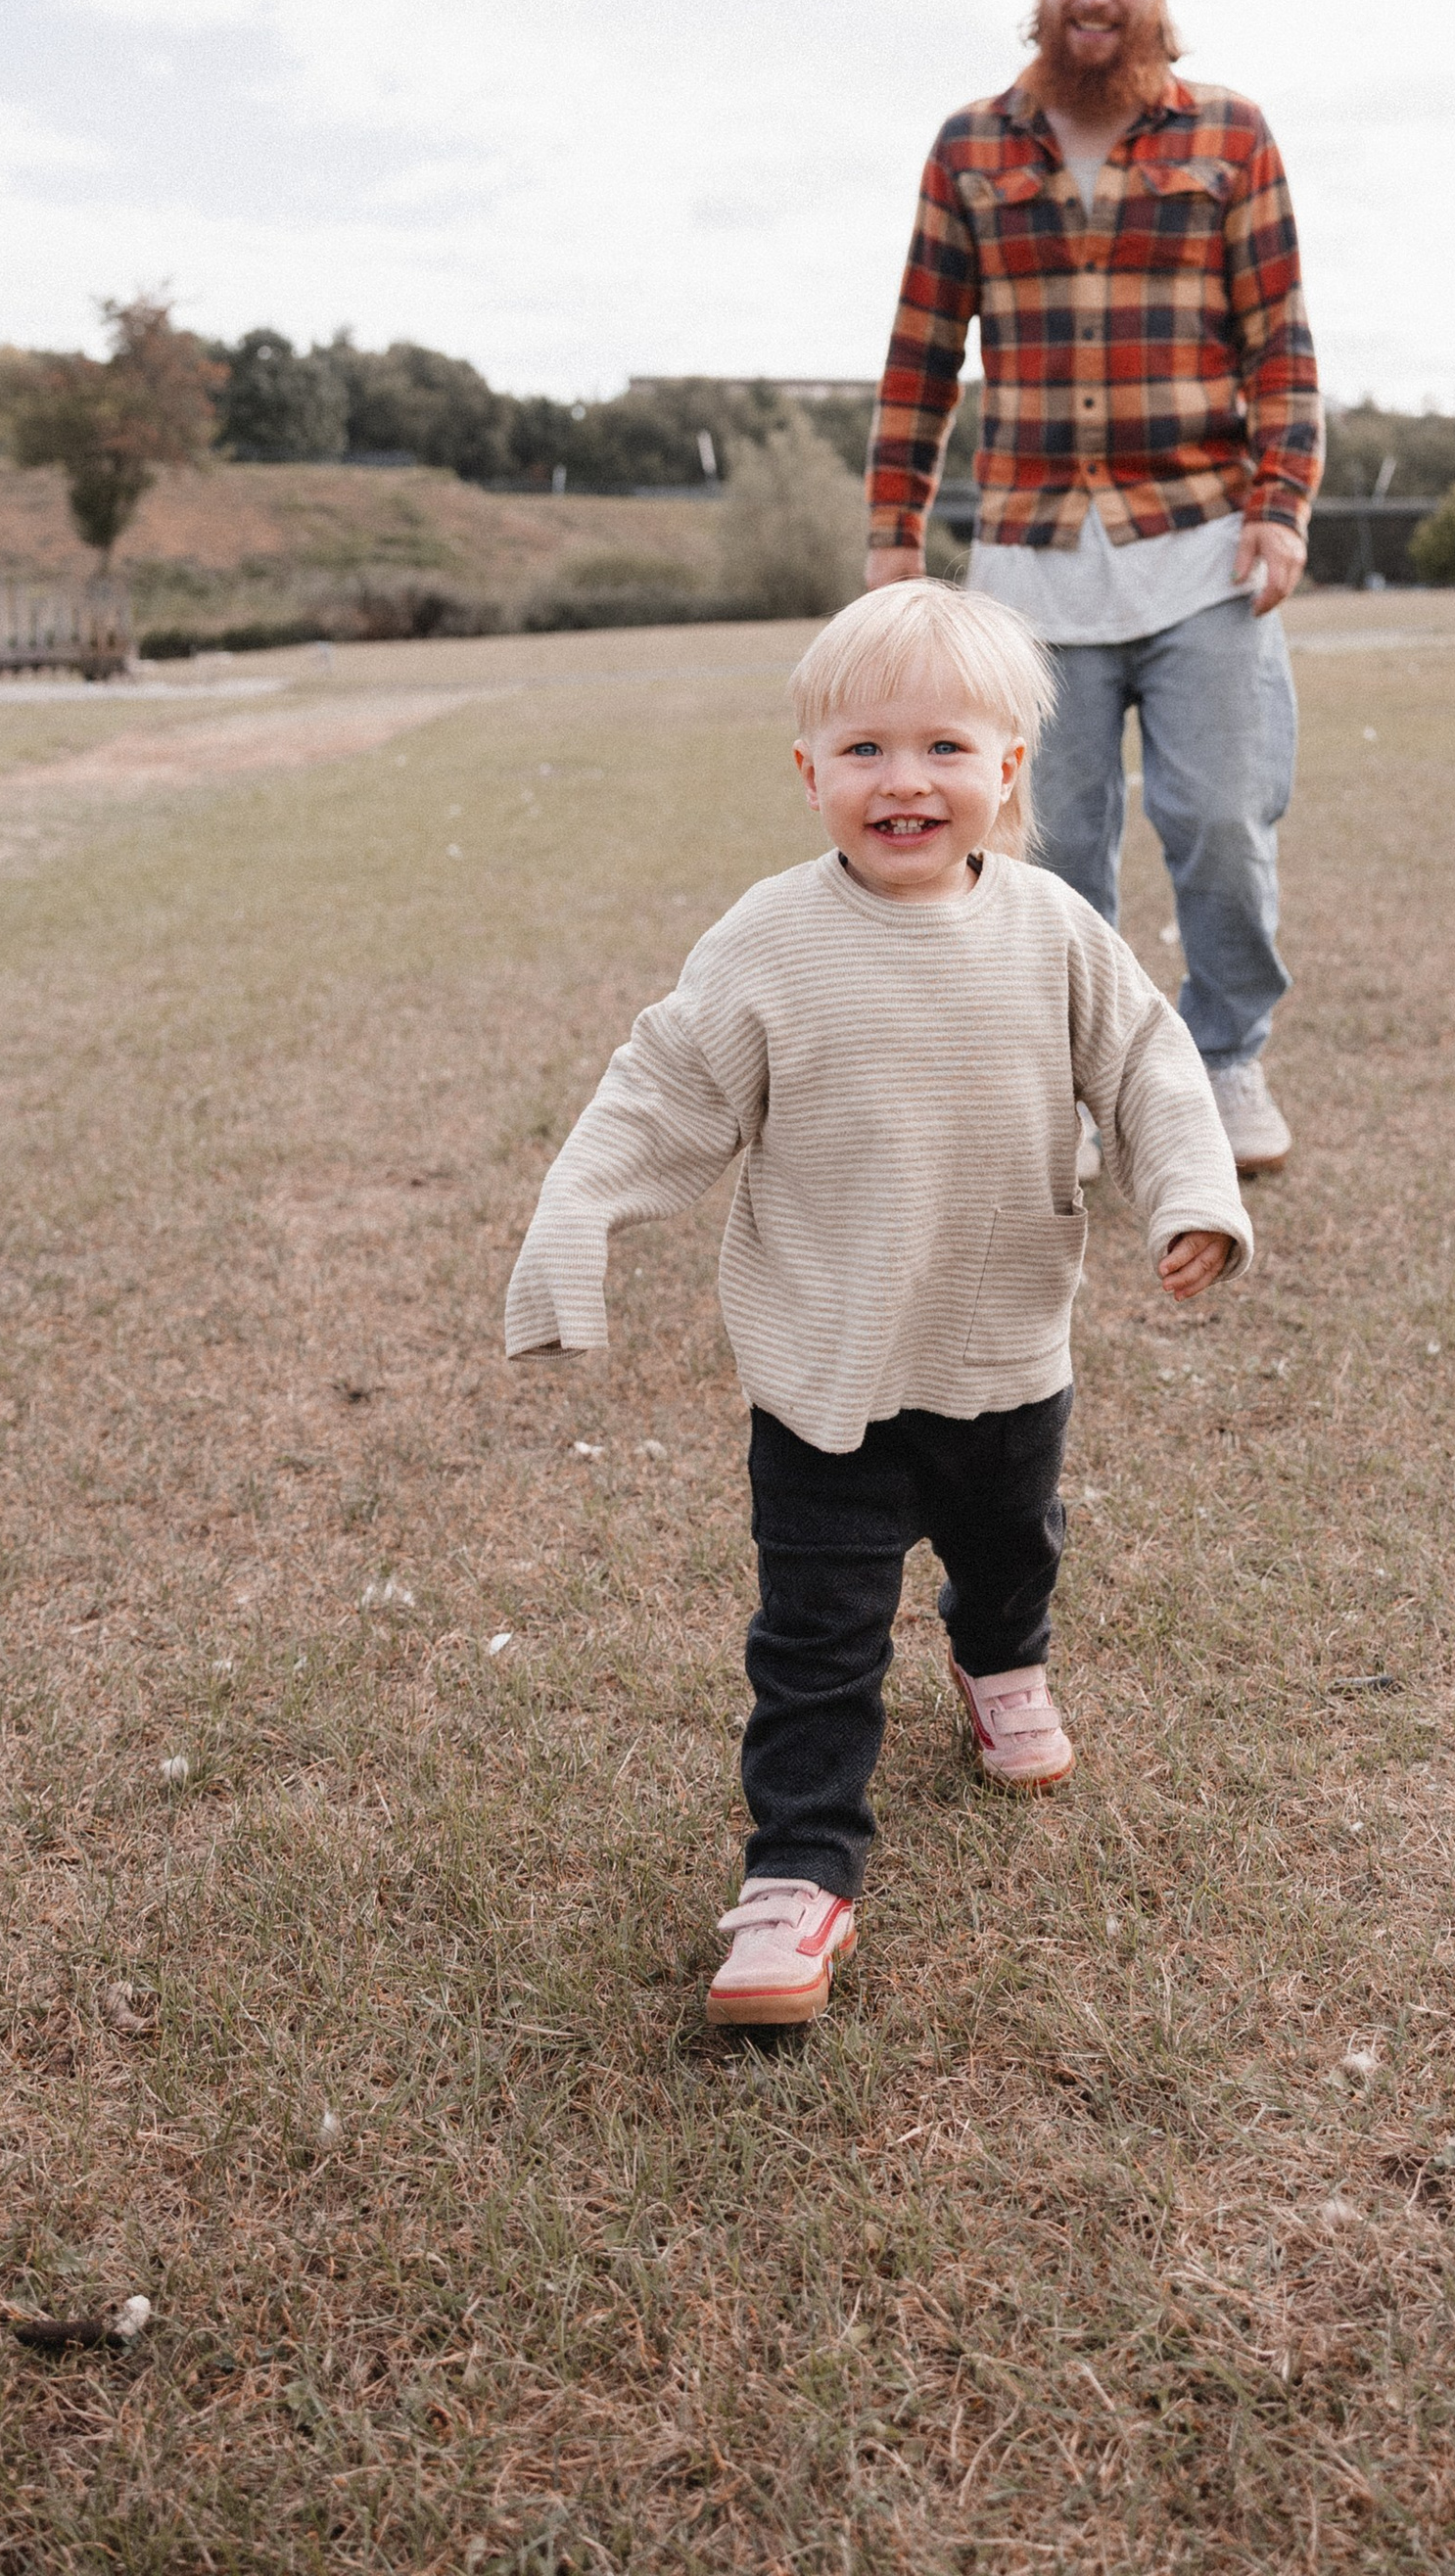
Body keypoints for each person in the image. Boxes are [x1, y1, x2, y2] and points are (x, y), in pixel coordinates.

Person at [504, 578, 1248, 2028]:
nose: (904, 781)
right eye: (863, 751)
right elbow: (664, 1084)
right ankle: (798, 1873)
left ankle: (1002, 1664)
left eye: (945, 748)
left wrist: (1190, 1194)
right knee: (816, 1637)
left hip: (1003, 1354)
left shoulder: (1055, 931)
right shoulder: (769, 943)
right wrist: (573, 1217)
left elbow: (1152, 1068)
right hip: (826, 1375)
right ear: (809, 773)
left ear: (1010, 769)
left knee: (1012, 1548)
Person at [865, 0, 1322, 1171]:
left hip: (1203, 548)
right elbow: (920, 352)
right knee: (1048, 847)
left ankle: (1228, 1061)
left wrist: (1281, 510)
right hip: (1027, 562)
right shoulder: (970, 148)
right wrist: (894, 529)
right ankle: (1070, 1084)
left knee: (1223, 824)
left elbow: (1279, 345)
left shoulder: (1231, 138)